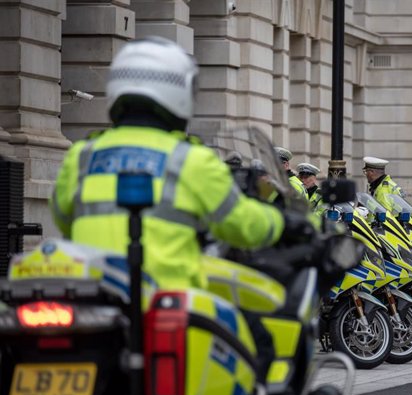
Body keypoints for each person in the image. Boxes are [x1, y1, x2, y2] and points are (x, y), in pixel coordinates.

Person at [50, 36, 311, 290]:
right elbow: (242, 225)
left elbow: (62, 218)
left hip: (93, 300)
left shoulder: (82, 155)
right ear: (181, 91)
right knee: (259, 332)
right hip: (167, 306)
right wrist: (284, 222)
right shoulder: (192, 160)